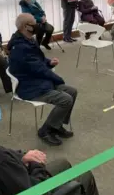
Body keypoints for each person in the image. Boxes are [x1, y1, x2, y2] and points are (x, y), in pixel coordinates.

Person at [8, 13, 76, 146]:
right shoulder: (20, 47)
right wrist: (58, 79)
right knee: (66, 99)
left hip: (37, 81)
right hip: (29, 86)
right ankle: (45, 131)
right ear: (25, 26)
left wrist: (49, 62)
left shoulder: (29, 40)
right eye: (34, 22)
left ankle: (55, 126)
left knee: (72, 92)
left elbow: (38, 61)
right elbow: (38, 69)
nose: (38, 24)